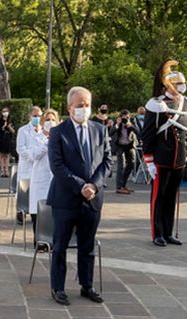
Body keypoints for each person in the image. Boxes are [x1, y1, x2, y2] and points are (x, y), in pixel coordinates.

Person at [47, 86, 110, 306]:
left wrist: (93, 185)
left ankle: (87, 285)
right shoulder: (58, 132)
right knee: (60, 245)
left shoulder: (100, 130)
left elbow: (107, 161)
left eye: (87, 105)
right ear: (69, 108)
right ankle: (58, 287)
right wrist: (81, 185)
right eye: (79, 105)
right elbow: (57, 165)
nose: (84, 109)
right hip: (66, 198)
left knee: (87, 245)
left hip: (93, 198)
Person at [141, 60, 187, 247]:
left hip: (178, 158)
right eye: (178, 83)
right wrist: (148, 160)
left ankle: (168, 232)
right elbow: (147, 133)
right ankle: (157, 233)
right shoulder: (156, 104)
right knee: (159, 197)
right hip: (161, 157)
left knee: (171, 196)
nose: (181, 86)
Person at [112, 110, 139, 194]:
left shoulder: (131, 122)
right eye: (124, 117)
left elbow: (138, 132)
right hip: (120, 146)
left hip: (129, 146)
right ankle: (119, 187)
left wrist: (131, 125)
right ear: (120, 117)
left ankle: (123, 185)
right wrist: (117, 124)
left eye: (127, 117)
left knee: (131, 164)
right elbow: (110, 132)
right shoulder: (117, 123)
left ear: (129, 117)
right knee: (121, 166)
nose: (125, 119)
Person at [0, 107, 16, 177]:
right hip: (1, 139)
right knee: (1, 155)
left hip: (8, 139)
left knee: (7, 155)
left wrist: (9, 127)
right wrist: (3, 127)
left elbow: (13, 131)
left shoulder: (11, 120)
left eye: (6, 111)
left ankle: (6, 170)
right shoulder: (0, 120)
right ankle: (2, 170)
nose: (5, 113)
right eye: (3, 111)